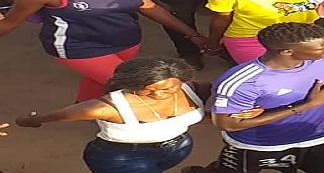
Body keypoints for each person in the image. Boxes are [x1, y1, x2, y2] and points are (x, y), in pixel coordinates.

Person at [0, 0, 205, 102]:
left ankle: (83, 107)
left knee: (99, 79)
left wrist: (191, 34)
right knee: (131, 83)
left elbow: (151, 9)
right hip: (79, 48)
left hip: (127, 43)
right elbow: (10, 22)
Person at [203, 22, 324, 173]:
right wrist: (307, 105)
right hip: (261, 144)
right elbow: (228, 125)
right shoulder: (244, 82)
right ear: (287, 52)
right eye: (322, 48)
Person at [15, 57, 209, 173]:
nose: (158, 94)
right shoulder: (105, 107)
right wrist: (30, 120)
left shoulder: (195, 89)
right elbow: (59, 115)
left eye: (168, 89)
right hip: (122, 158)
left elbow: (214, 113)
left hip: (179, 148)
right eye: (146, 89)